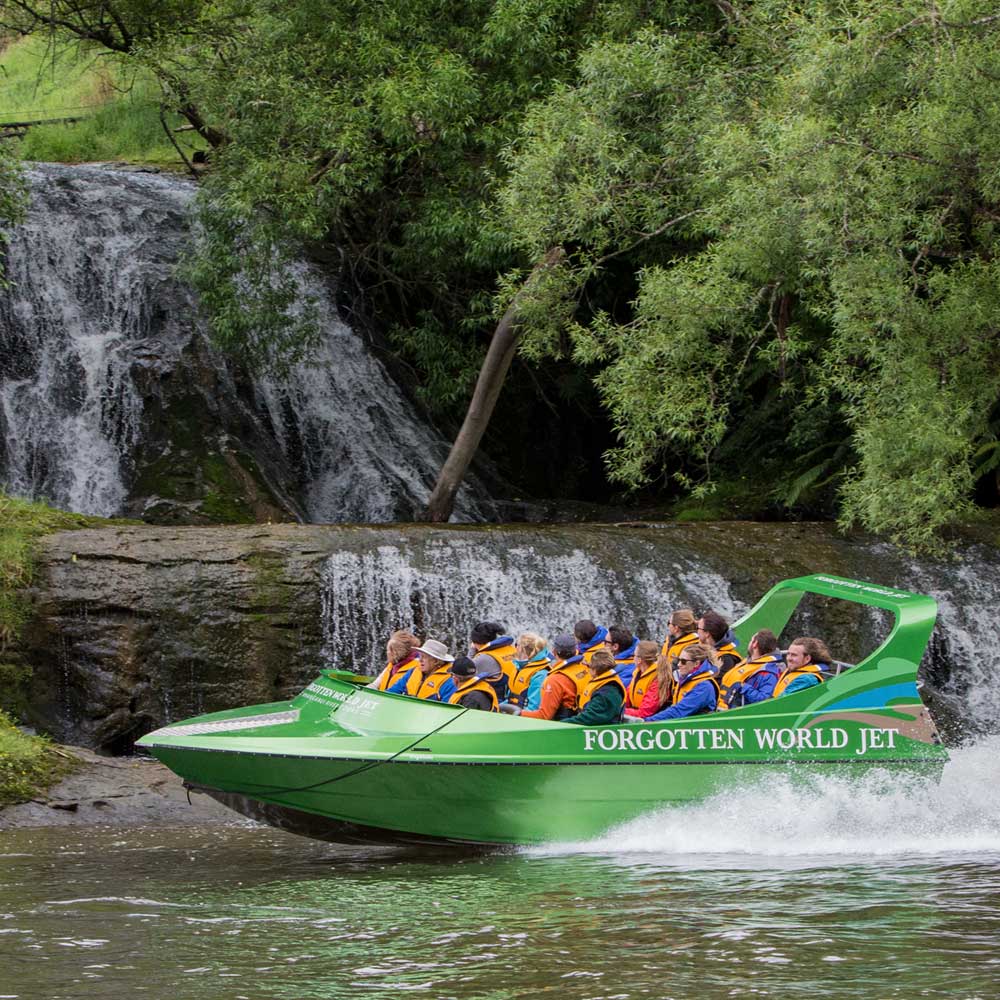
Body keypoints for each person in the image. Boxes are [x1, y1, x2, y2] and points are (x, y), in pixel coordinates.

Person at [631, 643, 720, 721]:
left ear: (696, 664)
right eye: (679, 660)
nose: (678, 664)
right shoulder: (684, 680)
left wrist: (648, 721)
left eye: (683, 661)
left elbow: (679, 711)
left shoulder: (704, 687)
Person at [508, 634, 588, 720]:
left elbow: (544, 715)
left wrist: (512, 714)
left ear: (554, 652)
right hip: (578, 719)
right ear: (576, 651)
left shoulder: (555, 679)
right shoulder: (585, 669)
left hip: (561, 725)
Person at [717, 629, 783, 709]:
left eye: (751, 640)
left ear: (755, 644)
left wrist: (744, 687)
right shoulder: (746, 662)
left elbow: (764, 700)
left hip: (737, 716)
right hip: (722, 709)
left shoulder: (768, 672)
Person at [565, 650, 627, 726]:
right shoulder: (605, 684)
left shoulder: (608, 692)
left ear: (594, 670)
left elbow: (590, 717)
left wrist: (562, 724)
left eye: (589, 666)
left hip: (600, 732)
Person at [386, 638, 454, 700]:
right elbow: (392, 692)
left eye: (424, 657)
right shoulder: (412, 672)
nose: (420, 660)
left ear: (436, 661)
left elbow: (445, 710)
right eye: (420, 656)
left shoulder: (450, 682)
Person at [470, 622, 518, 702]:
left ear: (475, 642)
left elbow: (463, 672)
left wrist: (472, 650)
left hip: (498, 703)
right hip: (514, 698)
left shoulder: (483, 658)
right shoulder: (510, 648)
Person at [507, 633, 551, 711]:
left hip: (526, 717)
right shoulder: (518, 667)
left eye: (517, 645)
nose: (515, 648)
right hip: (513, 711)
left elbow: (534, 708)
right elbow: (509, 699)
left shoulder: (540, 674)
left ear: (522, 649)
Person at [622, 640, 660, 716]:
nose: (633, 658)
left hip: (647, 720)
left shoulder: (657, 679)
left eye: (634, 655)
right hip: (634, 714)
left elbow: (644, 712)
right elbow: (626, 698)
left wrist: (619, 712)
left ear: (639, 660)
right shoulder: (637, 673)